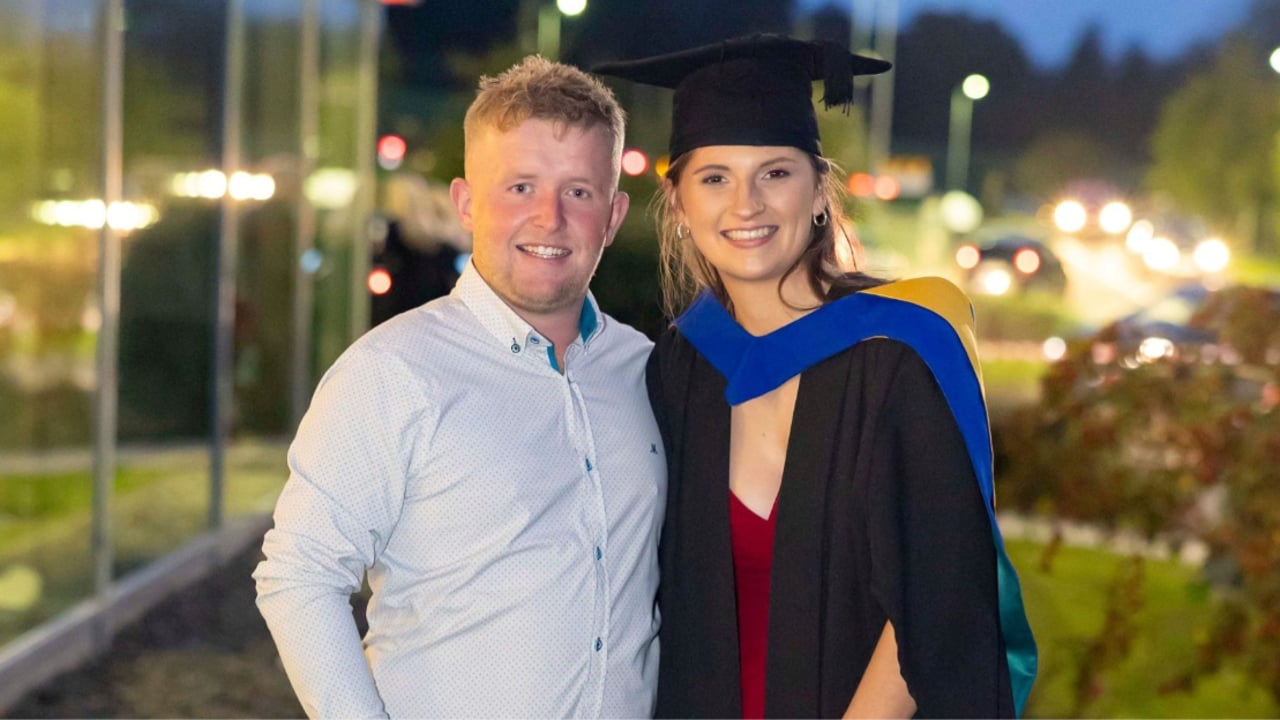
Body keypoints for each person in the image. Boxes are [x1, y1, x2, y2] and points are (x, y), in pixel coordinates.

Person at [595, 34, 1037, 719]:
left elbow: (942, 595)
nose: (746, 204)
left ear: (819, 191)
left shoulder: (898, 355)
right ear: (678, 203)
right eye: (714, 178)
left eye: (775, 173)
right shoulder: (679, 368)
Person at [253, 55, 665, 719]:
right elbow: (299, 574)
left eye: (579, 192)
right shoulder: (392, 373)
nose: (550, 217)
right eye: (521, 187)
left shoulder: (644, 370)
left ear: (613, 215)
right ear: (467, 204)